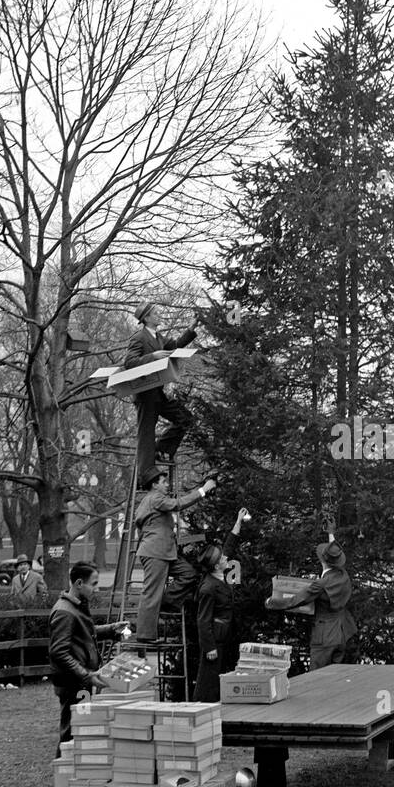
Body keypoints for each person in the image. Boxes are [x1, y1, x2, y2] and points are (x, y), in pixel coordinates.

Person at [48, 562, 129, 757]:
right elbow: (59, 652)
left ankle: (73, 769)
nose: (96, 588)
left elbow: (85, 633)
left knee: (80, 725)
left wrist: (111, 630)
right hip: (73, 682)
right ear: (78, 583)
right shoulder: (65, 612)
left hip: (79, 681)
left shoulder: (76, 607)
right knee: (72, 728)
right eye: (94, 584)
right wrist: (85, 675)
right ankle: (64, 772)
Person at [123, 301, 202, 486]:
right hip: (144, 394)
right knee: (146, 434)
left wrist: (191, 327)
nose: (160, 315)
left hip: (158, 393)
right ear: (147, 318)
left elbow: (175, 345)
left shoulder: (158, 337)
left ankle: (163, 448)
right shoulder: (139, 338)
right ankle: (147, 476)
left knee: (186, 418)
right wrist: (154, 356)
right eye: (156, 313)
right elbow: (130, 362)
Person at [133, 466, 215, 644]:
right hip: (156, 552)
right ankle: (145, 635)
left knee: (188, 574)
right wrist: (203, 490)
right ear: (154, 485)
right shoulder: (155, 498)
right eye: (163, 482)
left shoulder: (149, 501)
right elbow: (177, 504)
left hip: (164, 551)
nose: (167, 485)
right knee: (151, 592)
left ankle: (165, 602)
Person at [192, 508, 251, 702]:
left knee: (220, 678)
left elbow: (228, 548)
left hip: (225, 636)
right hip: (215, 640)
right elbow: (203, 620)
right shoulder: (208, 588)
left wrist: (238, 521)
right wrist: (209, 648)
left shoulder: (218, 573)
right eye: (223, 559)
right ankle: (200, 708)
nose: (226, 558)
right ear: (217, 565)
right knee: (208, 680)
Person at [284, 536, 358, 670]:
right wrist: (331, 534)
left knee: (316, 677)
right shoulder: (343, 575)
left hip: (325, 635)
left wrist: (271, 601)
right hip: (343, 633)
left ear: (322, 561)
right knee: (335, 678)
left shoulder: (321, 584)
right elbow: (334, 554)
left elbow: (296, 600)